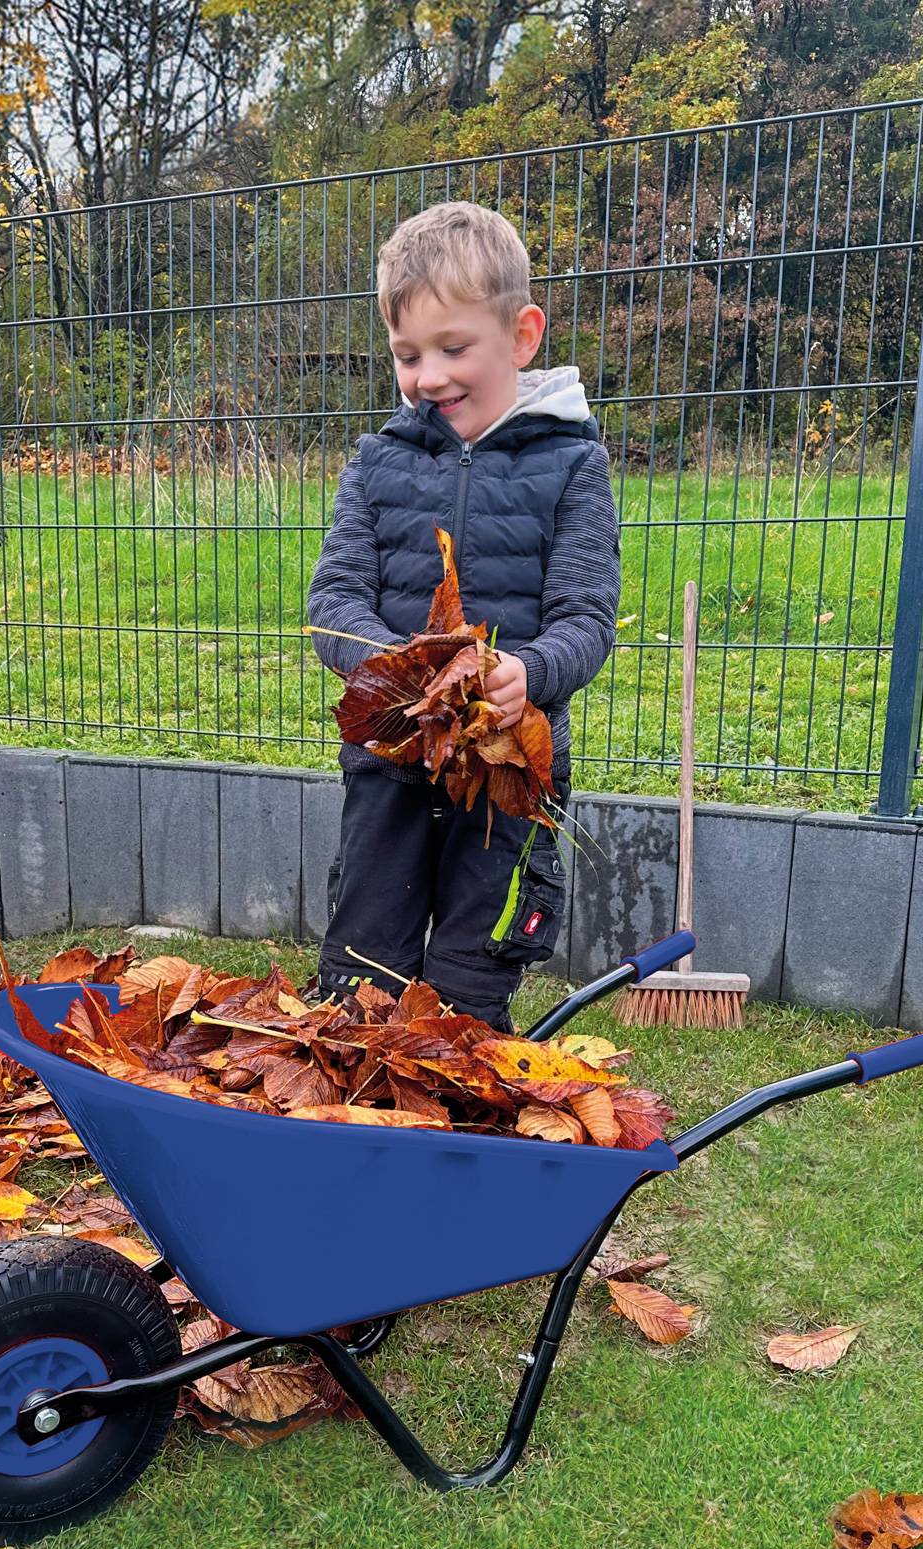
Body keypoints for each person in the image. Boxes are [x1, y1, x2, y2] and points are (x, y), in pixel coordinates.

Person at [306, 200, 620, 1032]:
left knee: (471, 977)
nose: (427, 376)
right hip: (390, 757)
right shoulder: (378, 462)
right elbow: (332, 604)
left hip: (509, 771)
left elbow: (587, 619)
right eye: (407, 354)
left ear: (521, 337)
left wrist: (531, 673)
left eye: (453, 348)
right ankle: (351, 1127)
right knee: (365, 968)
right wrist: (405, 672)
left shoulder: (574, 467)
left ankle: (457, 1126)